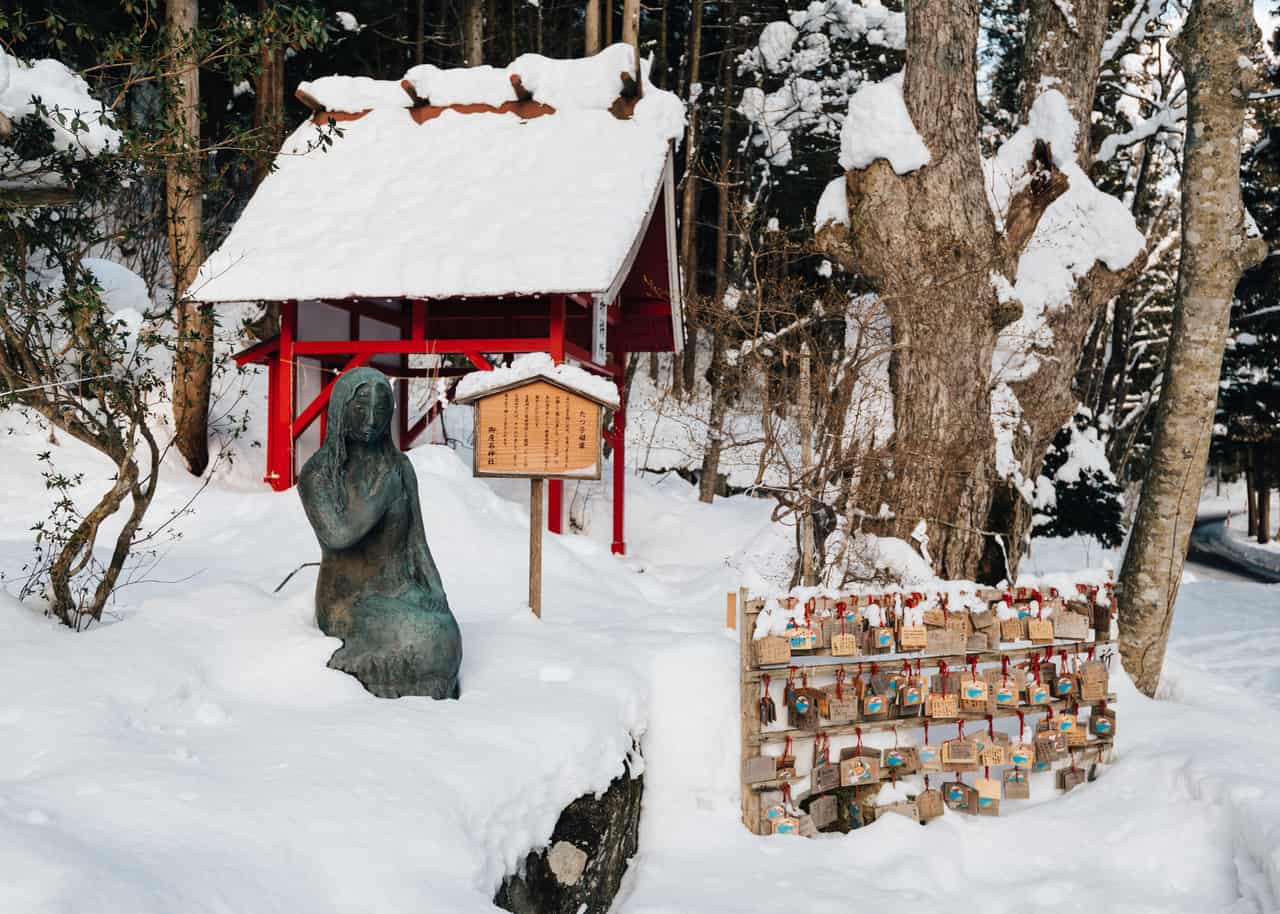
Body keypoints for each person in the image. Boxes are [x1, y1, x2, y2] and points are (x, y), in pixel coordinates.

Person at [298, 367, 461, 699]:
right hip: (349, 600)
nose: (371, 419)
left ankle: (419, 678)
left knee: (447, 632)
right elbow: (338, 536)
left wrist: (435, 589)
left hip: (398, 587)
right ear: (342, 409)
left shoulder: (399, 466)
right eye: (360, 409)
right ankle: (357, 670)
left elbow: (417, 540)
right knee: (431, 638)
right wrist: (380, 499)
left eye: (381, 410)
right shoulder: (319, 473)